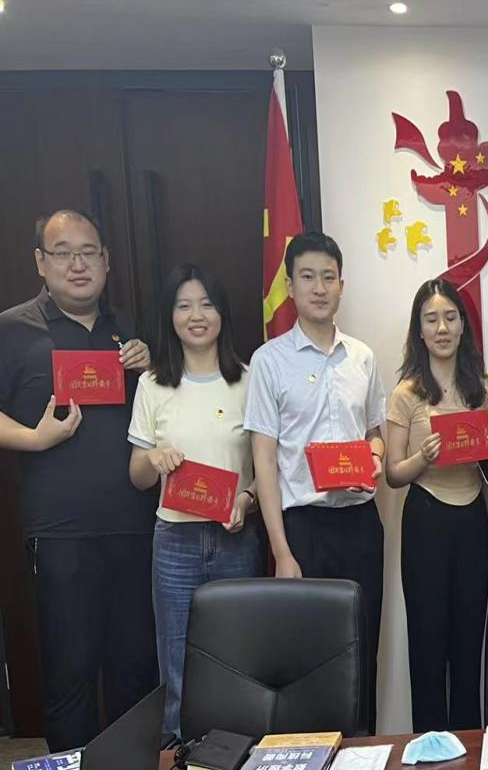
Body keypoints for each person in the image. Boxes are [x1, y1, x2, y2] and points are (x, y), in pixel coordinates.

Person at [0, 210, 156, 751]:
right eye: (63, 253)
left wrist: (149, 367)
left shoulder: (129, 330)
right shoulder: (12, 328)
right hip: (61, 534)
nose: (77, 264)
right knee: (70, 675)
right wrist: (33, 439)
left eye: (88, 252)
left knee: (136, 672)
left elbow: (162, 415)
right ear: (40, 262)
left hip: (135, 527)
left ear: (107, 261)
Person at [244, 231, 387, 730]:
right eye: (308, 277)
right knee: (309, 654)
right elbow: (264, 461)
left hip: (360, 523)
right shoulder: (269, 361)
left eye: (329, 277)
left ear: (342, 285)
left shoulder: (363, 357)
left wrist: (374, 457)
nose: (319, 288)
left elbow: (374, 434)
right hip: (302, 527)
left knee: (363, 648)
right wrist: (282, 552)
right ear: (290, 285)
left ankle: (363, 750)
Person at [127, 264, 262, 737]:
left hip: (236, 539)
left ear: (222, 312)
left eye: (207, 304)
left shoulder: (248, 380)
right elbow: (137, 476)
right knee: (177, 662)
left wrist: (246, 499)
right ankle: (179, 753)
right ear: (170, 316)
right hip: (175, 543)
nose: (196, 315)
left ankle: (237, 751)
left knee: (238, 656)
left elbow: (266, 471)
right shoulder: (152, 384)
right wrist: (154, 459)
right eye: (184, 306)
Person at [383, 278, 488, 732]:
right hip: (426, 519)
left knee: (469, 645)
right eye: (432, 319)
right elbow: (393, 474)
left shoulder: (481, 391)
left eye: (450, 317)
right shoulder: (407, 393)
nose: (442, 328)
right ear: (420, 329)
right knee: (427, 645)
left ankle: (470, 748)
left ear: (463, 325)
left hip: (472, 519)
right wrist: (423, 457)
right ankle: (429, 749)